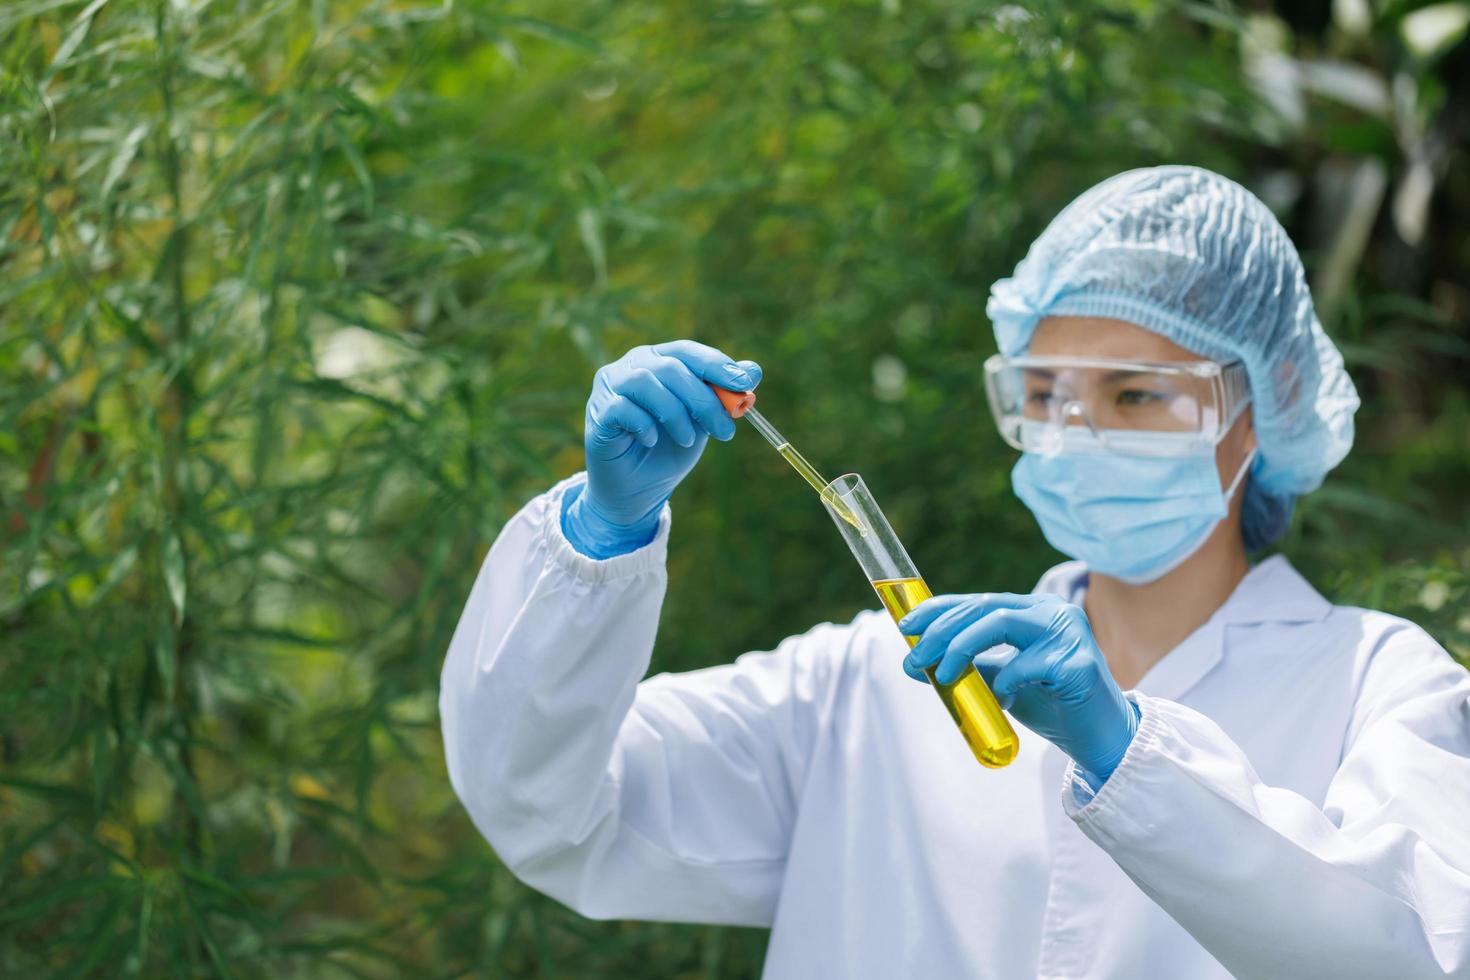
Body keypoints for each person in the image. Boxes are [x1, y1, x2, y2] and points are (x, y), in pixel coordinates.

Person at [438, 166, 1470, 978]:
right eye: (1047, 394)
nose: (1079, 434)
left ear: (1266, 400)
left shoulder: (1378, 684)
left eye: (1139, 395)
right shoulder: (860, 688)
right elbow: (553, 811)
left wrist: (1129, 754)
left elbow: (1419, 955)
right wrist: (603, 531)